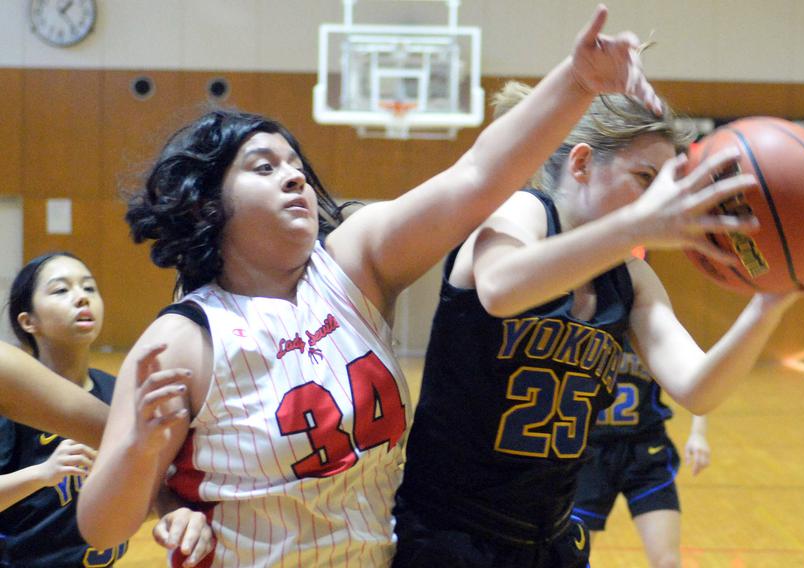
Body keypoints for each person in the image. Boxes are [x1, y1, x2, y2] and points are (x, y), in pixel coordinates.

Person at [76, 6, 664, 567]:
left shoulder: (353, 266)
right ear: (208, 204)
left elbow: (478, 176)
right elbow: (101, 528)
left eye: (297, 168)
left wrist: (578, 82)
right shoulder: (183, 341)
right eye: (264, 168)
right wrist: (139, 453)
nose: (293, 178)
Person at [391, 74, 804, 566]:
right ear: (583, 163)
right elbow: (502, 289)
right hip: (449, 531)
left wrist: (766, 306)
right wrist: (638, 225)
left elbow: (698, 388)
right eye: (645, 179)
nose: (658, 201)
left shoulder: (631, 277)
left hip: (550, 536)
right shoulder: (520, 213)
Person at [0, 253, 213, 568]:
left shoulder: (119, 392)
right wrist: (41, 474)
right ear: (28, 321)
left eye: (89, 287)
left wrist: (172, 510)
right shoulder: (13, 406)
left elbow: (151, 480)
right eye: (61, 290)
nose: (81, 297)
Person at [573, 333, 710, 568]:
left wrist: (698, 434)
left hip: (645, 451)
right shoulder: (583, 327)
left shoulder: (650, 329)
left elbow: (701, 373)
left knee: (667, 562)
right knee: (573, 559)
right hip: (588, 455)